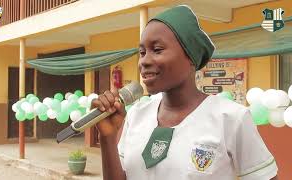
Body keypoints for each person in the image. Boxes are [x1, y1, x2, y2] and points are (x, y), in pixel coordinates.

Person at [91, 5, 278, 180]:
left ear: (191, 57)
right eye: (142, 52)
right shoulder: (137, 114)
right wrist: (107, 138)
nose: (144, 61)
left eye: (157, 50)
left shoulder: (231, 118)